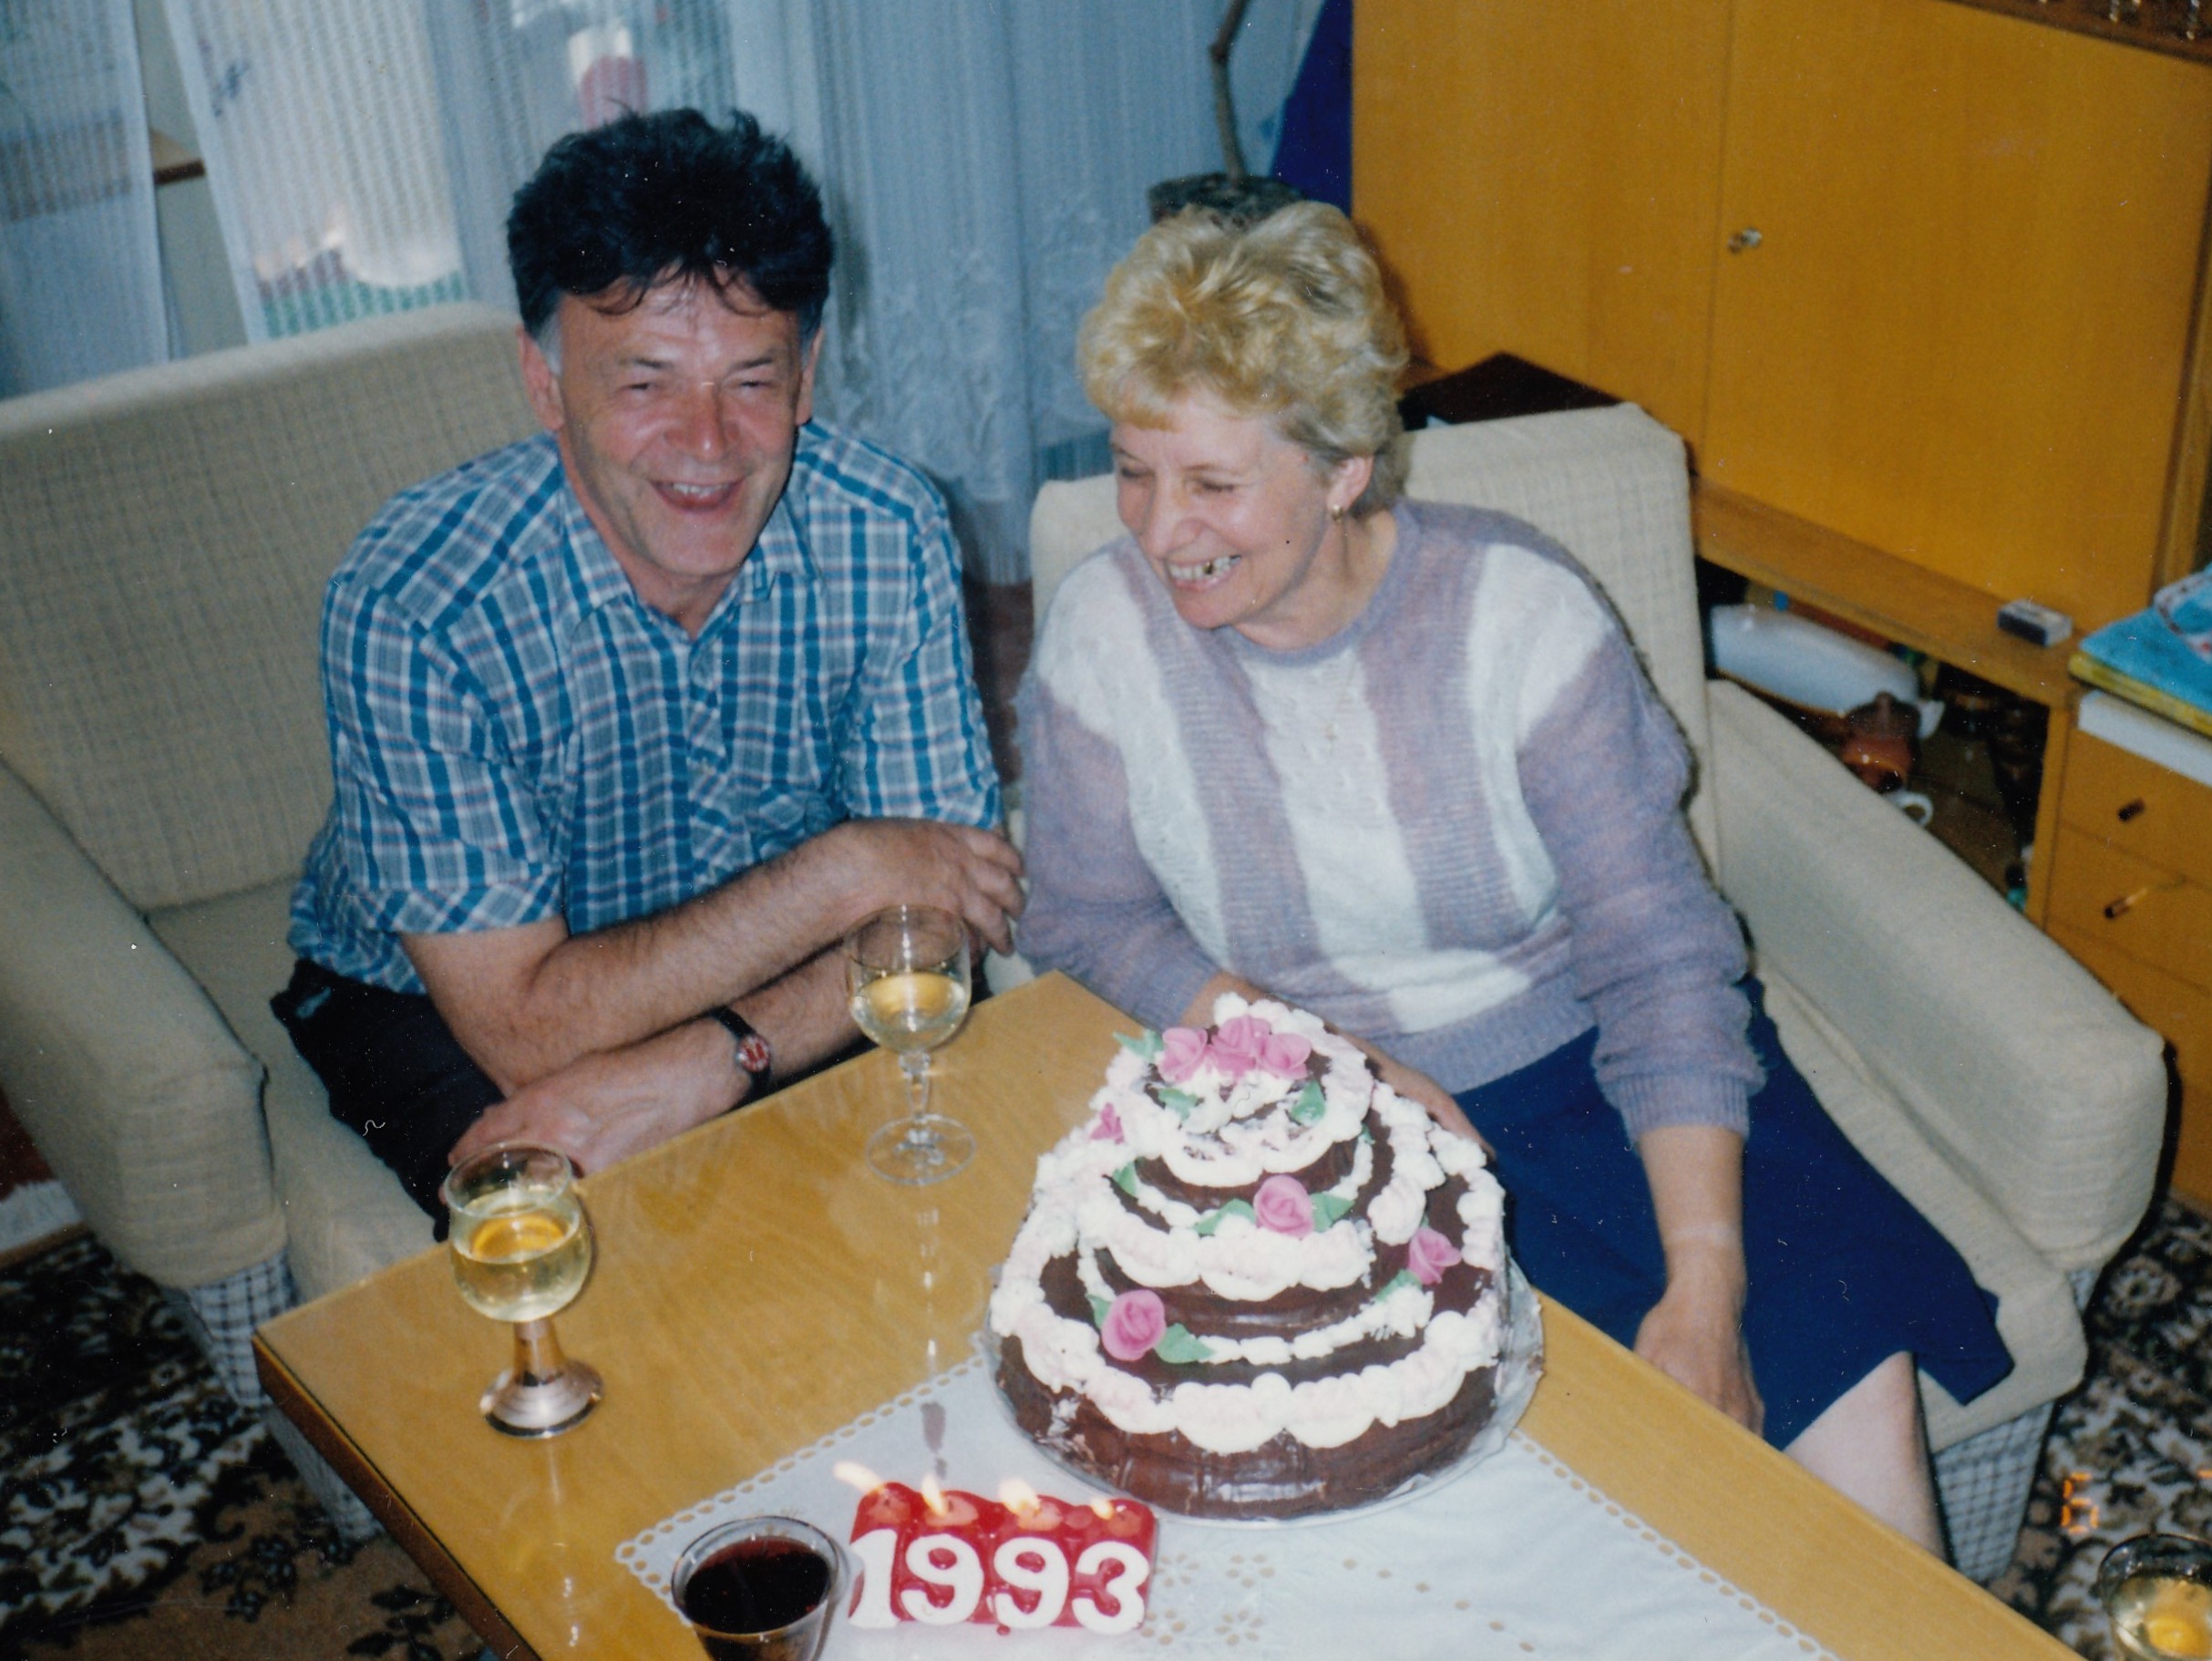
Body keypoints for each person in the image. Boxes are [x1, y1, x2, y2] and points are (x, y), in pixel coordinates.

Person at [1014, 201, 2011, 1555]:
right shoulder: (1104, 632)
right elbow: (1084, 915)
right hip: (1313, 1123)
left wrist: (1706, 1281)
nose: (1157, 528)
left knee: (1852, 1401)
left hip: (1607, 1066)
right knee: (1534, 1495)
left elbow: (1657, 953)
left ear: (1343, 469)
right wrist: (1322, 1060)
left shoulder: (1517, 617)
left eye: (1211, 483)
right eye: (1134, 472)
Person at [275, 109, 1022, 1221]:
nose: (708, 444)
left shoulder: (886, 525)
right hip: (431, 996)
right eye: (645, 384)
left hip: (767, 968)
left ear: (808, 377)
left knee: (963, 1172)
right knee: (590, 1240)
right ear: (543, 383)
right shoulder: (417, 605)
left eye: (752, 382)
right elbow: (525, 1028)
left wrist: (723, 1056)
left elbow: (949, 909)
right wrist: (852, 870)